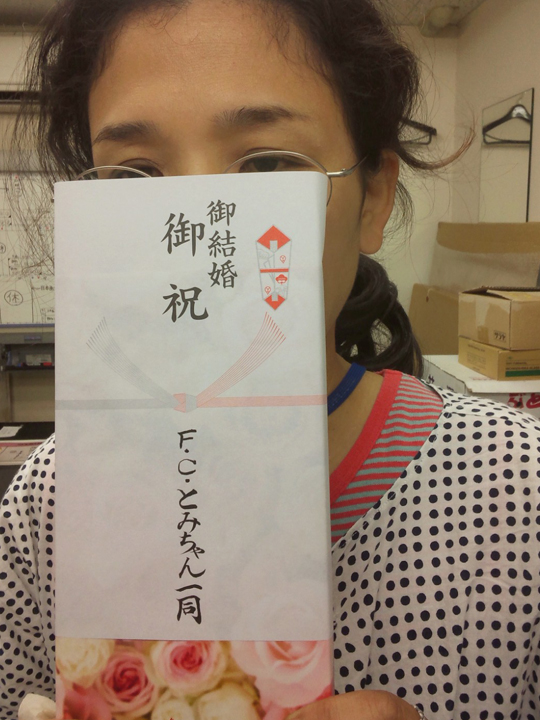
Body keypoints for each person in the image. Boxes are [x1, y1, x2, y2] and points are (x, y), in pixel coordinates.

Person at [1, 0, 539, 718]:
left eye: (267, 164)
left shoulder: (519, 493)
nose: (194, 232)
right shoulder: (46, 505)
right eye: (133, 176)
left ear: (373, 197)